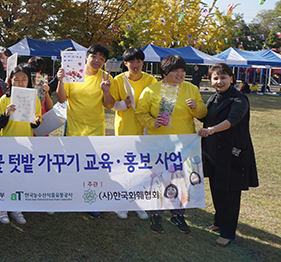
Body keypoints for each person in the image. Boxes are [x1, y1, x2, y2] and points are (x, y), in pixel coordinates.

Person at [135, 55, 207, 234]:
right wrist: (153, 122)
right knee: (157, 179)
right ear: (165, 72)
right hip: (158, 144)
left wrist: (195, 108)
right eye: (176, 71)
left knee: (181, 180)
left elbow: (203, 112)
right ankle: (155, 214)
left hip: (184, 145)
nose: (181, 74)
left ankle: (177, 215)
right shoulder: (151, 91)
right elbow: (141, 113)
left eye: (183, 71)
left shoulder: (191, 89)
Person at [197, 63, 258, 247]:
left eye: (223, 77)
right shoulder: (213, 98)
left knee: (230, 194)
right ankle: (218, 222)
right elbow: (205, 116)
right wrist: (193, 108)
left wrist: (211, 130)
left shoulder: (240, 99)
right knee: (216, 189)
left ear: (231, 78)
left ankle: (228, 233)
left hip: (233, 155)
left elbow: (232, 121)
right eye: (215, 78)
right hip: (214, 153)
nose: (219, 81)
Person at [110, 48, 157, 220]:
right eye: (132, 62)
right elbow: (111, 104)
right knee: (124, 168)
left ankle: (139, 203)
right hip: (124, 130)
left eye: (138, 62)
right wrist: (124, 104)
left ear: (143, 63)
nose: (135, 65)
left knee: (142, 169)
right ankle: (123, 203)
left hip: (144, 130)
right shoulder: (118, 79)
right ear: (125, 63)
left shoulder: (151, 80)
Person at [0, 65, 42, 224]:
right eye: (16, 79)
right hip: (6, 142)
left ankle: (16, 208)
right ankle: (2, 208)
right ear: (10, 81)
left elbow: (36, 123)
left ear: (29, 81)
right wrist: (6, 113)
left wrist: (35, 122)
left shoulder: (34, 99)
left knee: (19, 176)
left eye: (24, 80)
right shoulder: (4, 99)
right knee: (5, 176)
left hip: (25, 143)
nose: (20, 83)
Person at [56, 44, 115, 136]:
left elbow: (109, 106)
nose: (97, 60)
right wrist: (61, 81)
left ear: (104, 62)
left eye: (101, 58)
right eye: (94, 56)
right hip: (73, 131)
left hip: (96, 131)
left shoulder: (107, 78)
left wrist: (106, 91)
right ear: (86, 57)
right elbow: (61, 99)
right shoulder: (72, 73)